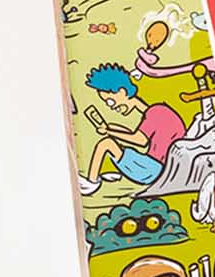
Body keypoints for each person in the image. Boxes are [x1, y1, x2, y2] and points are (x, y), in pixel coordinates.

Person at [78, 63, 187, 192]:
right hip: (160, 167)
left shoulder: (156, 113)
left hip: (154, 170)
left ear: (122, 92)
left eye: (110, 101)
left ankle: (91, 182)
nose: (111, 106)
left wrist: (108, 131)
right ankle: (106, 174)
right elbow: (134, 134)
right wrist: (110, 129)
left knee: (106, 144)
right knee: (115, 144)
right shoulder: (156, 111)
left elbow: (140, 140)